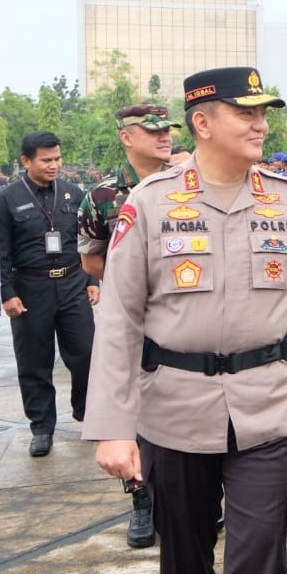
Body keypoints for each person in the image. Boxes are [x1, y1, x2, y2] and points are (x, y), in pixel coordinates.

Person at [83, 67, 287, 574]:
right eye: (245, 113)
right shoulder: (150, 203)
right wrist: (113, 426)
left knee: (259, 559)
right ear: (202, 122)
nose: (260, 126)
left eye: (263, 115)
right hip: (175, 411)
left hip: (270, 408)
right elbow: (119, 319)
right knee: (184, 557)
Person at [76, 103, 179, 548]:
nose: (164, 137)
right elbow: (90, 257)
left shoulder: (191, 183)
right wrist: (133, 288)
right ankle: (141, 499)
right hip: (134, 321)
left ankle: (195, 495)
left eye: (167, 130)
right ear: (127, 137)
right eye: (152, 131)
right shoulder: (103, 197)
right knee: (131, 404)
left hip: (186, 318)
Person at [0, 131, 99, 457]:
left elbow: (87, 242)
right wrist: (7, 294)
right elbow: (1, 252)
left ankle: (86, 411)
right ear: (26, 161)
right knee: (34, 361)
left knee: (86, 353)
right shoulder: (7, 200)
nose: (54, 165)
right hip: (29, 288)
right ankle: (41, 427)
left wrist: (93, 280)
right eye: (46, 160)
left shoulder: (73, 193)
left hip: (71, 283)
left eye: (57, 159)